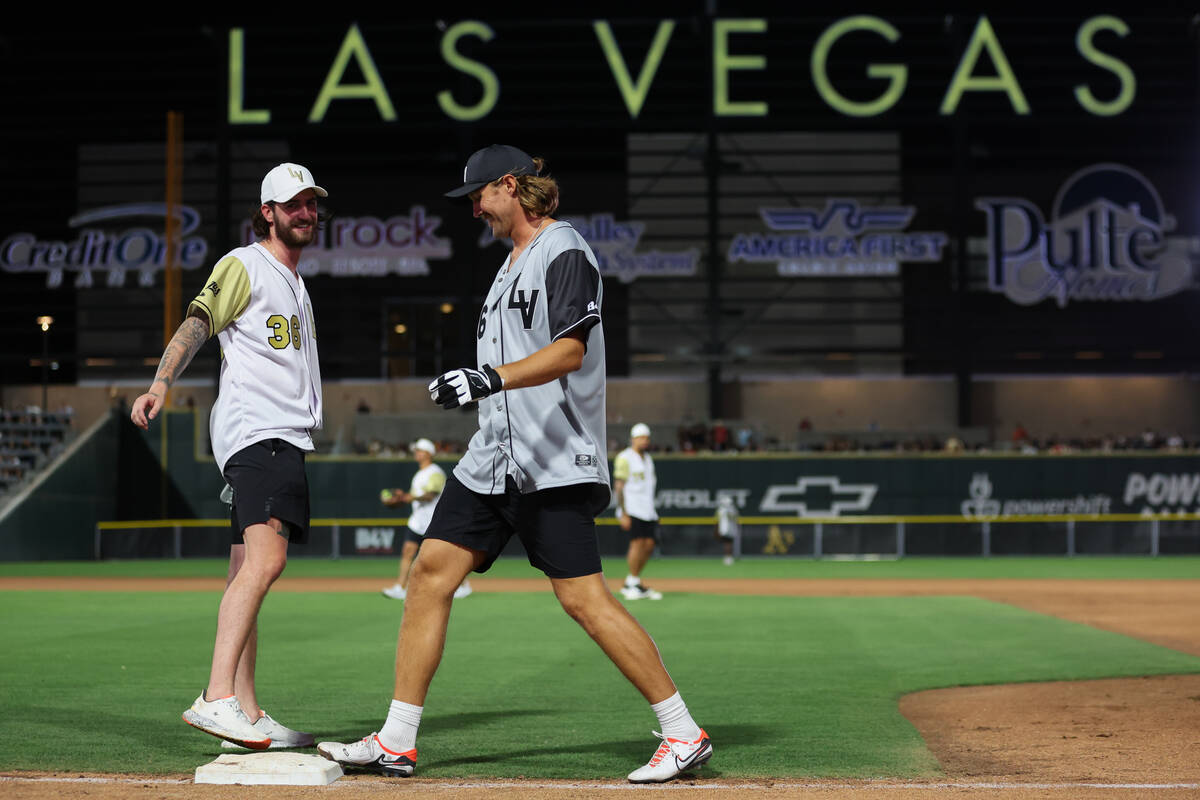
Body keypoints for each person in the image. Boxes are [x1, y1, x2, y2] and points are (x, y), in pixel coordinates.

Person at [317, 144, 710, 783]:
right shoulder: (506, 268)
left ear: (510, 186)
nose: (473, 208)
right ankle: (397, 739)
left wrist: (486, 378)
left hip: (553, 458)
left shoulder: (565, 250)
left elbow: (568, 353)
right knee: (428, 576)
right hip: (492, 460)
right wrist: (480, 388)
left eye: (478, 195)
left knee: (584, 599)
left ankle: (682, 730)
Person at [130, 162, 327, 750]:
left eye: (312, 203)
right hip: (259, 433)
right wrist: (162, 382)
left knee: (246, 569)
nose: (306, 212)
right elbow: (199, 321)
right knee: (268, 564)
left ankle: (245, 708)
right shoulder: (245, 264)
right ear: (267, 211)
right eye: (293, 203)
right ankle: (216, 697)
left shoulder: (293, 281)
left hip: (275, 437)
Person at [380, 438, 471, 601]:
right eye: (416, 450)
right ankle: (400, 587)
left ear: (429, 453)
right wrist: (398, 500)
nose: (416, 453)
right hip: (417, 521)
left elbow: (431, 495)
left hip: (433, 521)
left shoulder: (434, 472)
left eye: (420, 450)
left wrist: (407, 497)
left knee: (445, 556)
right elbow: (414, 498)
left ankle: (463, 585)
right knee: (407, 551)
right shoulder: (420, 474)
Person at [613, 423, 662, 600]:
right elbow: (619, 486)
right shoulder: (625, 457)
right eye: (641, 437)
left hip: (648, 509)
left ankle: (632, 581)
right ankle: (632, 583)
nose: (645, 441)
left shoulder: (648, 459)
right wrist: (623, 512)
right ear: (633, 439)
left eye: (647, 438)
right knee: (637, 543)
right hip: (632, 508)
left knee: (649, 544)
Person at [714, 495, 740, 566]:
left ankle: (728, 558)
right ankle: (728, 558)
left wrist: (716, 529)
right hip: (730, 529)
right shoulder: (733, 509)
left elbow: (717, 520)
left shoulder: (721, 510)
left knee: (727, 543)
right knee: (729, 543)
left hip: (724, 529)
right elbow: (736, 519)